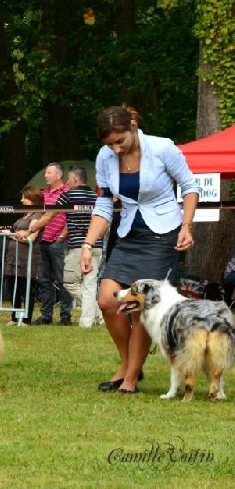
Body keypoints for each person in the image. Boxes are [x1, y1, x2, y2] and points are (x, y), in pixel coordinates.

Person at [81, 105, 199, 395]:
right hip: (129, 233)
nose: (116, 149)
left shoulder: (163, 148)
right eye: (110, 144)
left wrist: (186, 226)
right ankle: (128, 363)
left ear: (132, 126)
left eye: (119, 141)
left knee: (139, 309)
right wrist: (88, 243)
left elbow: (190, 186)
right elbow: (104, 203)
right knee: (108, 301)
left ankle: (130, 378)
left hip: (162, 234)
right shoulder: (105, 157)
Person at [17, 163, 71, 325]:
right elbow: (36, 214)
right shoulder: (43, 194)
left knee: (63, 280)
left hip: (60, 242)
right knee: (44, 280)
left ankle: (65, 316)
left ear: (58, 175)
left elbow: (71, 217)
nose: (46, 176)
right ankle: (46, 315)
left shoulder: (67, 192)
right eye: (46, 173)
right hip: (42, 241)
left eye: (49, 173)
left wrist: (63, 235)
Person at [56, 166, 103, 327]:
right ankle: (89, 320)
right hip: (96, 245)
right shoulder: (95, 197)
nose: (66, 182)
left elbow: (52, 211)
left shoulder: (68, 194)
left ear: (75, 179)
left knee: (69, 282)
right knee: (90, 284)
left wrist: (33, 228)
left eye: (68, 179)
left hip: (77, 245)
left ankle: (97, 313)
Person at [2, 186, 44, 326]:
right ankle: (14, 316)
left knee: (27, 289)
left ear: (32, 199)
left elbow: (31, 238)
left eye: (25, 198)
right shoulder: (25, 215)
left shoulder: (37, 217)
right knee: (14, 286)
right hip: (15, 257)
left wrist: (11, 236)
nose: (22, 200)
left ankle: (26, 318)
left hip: (27, 259)